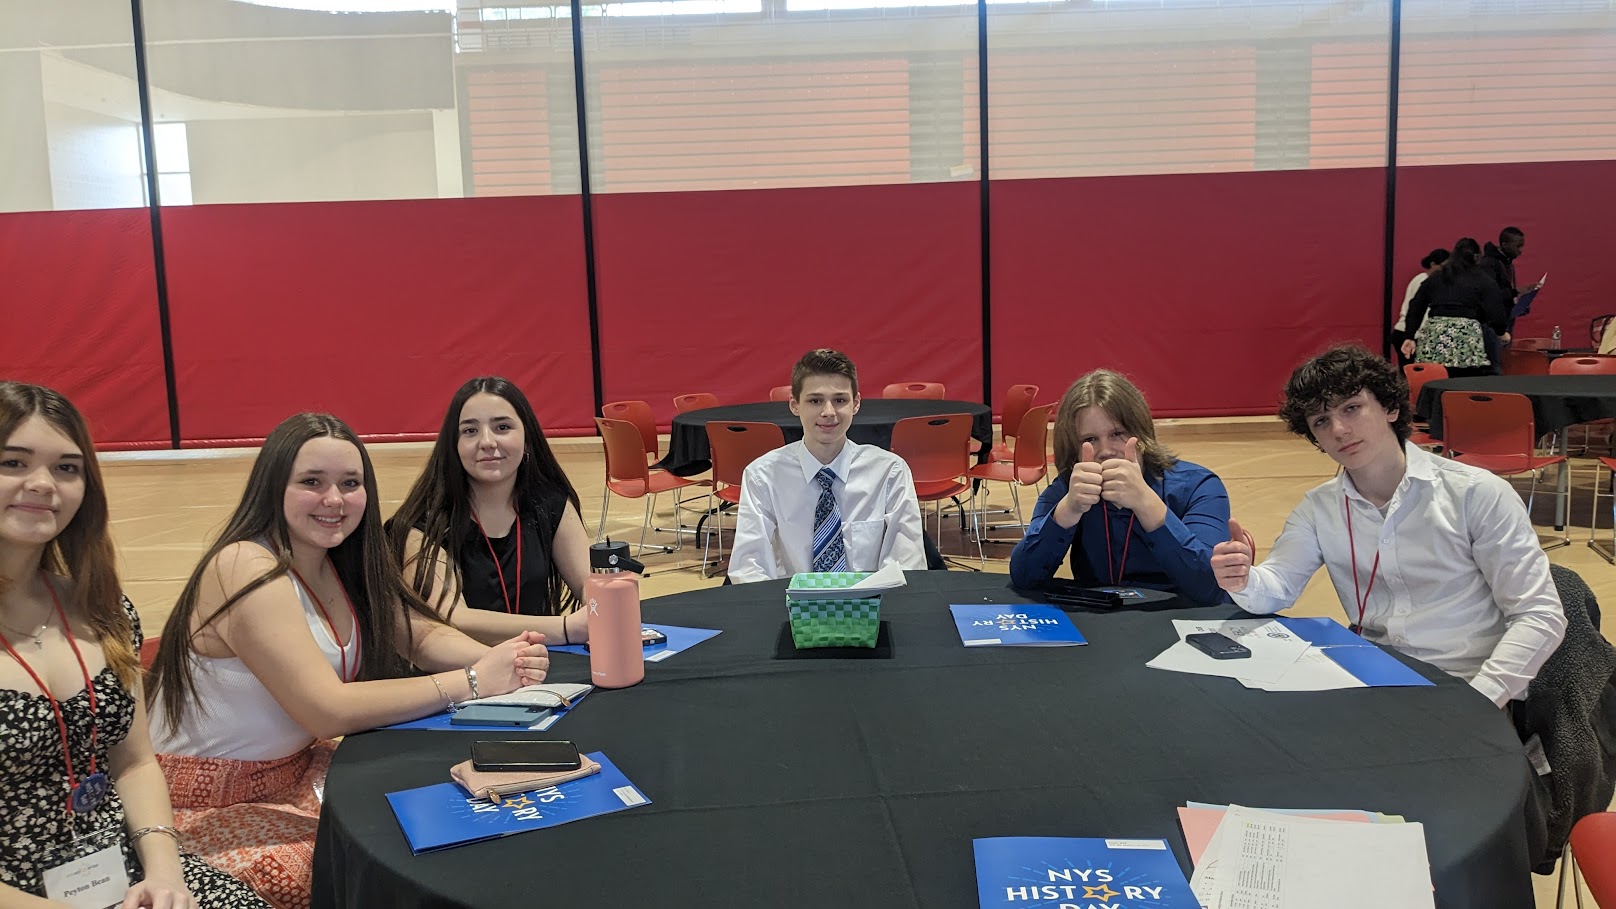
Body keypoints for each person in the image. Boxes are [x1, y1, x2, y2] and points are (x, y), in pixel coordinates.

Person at [146, 413, 549, 909]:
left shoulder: (337, 557)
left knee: (442, 797)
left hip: (296, 771)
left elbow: (419, 635)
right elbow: (327, 710)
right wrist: (473, 679)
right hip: (204, 801)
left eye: (350, 483)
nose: (334, 500)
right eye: (312, 482)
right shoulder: (245, 565)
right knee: (354, 860)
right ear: (273, 486)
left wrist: (508, 662)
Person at [0, 382, 267, 909]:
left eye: (66, 468)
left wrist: (166, 874)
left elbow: (135, 762)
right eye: (13, 462)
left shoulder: (103, 609)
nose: (43, 484)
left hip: (120, 863)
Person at [1210, 346, 1565, 708]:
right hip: (1374, 679)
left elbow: (1539, 615)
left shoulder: (1476, 494)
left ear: (1391, 408)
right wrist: (1243, 579)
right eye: (1320, 421)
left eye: (1351, 408)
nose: (1339, 430)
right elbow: (1279, 587)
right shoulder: (1319, 507)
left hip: (1469, 684)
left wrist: (1481, 701)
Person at [389, 377, 590, 647]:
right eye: (470, 431)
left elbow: (590, 584)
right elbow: (452, 617)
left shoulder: (551, 504)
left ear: (527, 437)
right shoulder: (421, 524)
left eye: (502, 427)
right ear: (454, 445)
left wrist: (603, 602)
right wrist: (566, 628)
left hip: (539, 669)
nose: (487, 441)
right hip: (460, 676)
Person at [1008, 370, 1231, 604]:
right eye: (1090, 439)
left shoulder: (1198, 486)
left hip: (1181, 621)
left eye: (1117, 434)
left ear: (1141, 433)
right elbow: (1024, 578)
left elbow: (1210, 588)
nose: (1105, 450)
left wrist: (1147, 504)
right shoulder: (1068, 489)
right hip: (1101, 622)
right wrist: (1067, 512)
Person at [728, 349, 926, 582]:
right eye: (815, 401)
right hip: (790, 607)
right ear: (794, 405)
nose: (828, 412)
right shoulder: (763, 476)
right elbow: (749, 566)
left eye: (840, 400)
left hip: (870, 607)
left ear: (856, 404)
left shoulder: (889, 472)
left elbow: (907, 563)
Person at [1400, 237, 1511, 376]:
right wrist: (1501, 332)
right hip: (1466, 336)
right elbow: (1495, 312)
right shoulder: (1483, 280)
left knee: (1434, 381)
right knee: (1465, 382)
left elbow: (1416, 306)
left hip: (1435, 336)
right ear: (1477, 257)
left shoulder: (1436, 277)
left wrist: (1409, 336)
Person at [1390, 248, 1448, 367]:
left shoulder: (1423, 280)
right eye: (1443, 266)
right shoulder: (1423, 281)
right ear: (1433, 264)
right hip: (1410, 334)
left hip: (1407, 332)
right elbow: (1421, 311)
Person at [1481, 226, 1543, 333]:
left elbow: (1507, 293)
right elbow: (1490, 295)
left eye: (1522, 246)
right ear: (1505, 245)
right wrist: (1516, 291)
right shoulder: (1489, 263)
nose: (1520, 250)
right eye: (1517, 246)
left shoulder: (1508, 263)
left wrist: (1519, 305)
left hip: (1506, 320)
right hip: (1493, 324)